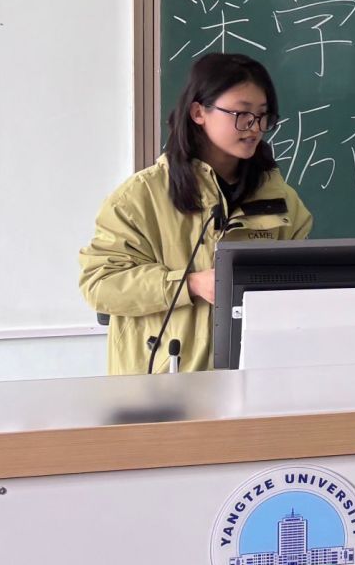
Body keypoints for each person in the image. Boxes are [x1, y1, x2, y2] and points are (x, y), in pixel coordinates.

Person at [79, 52, 313, 373]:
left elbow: (301, 288)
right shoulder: (140, 197)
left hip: (252, 377)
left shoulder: (281, 198)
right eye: (242, 114)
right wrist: (189, 284)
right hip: (161, 383)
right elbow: (100, 284)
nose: (255, 127)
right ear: (199, 112)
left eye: (262, 116)